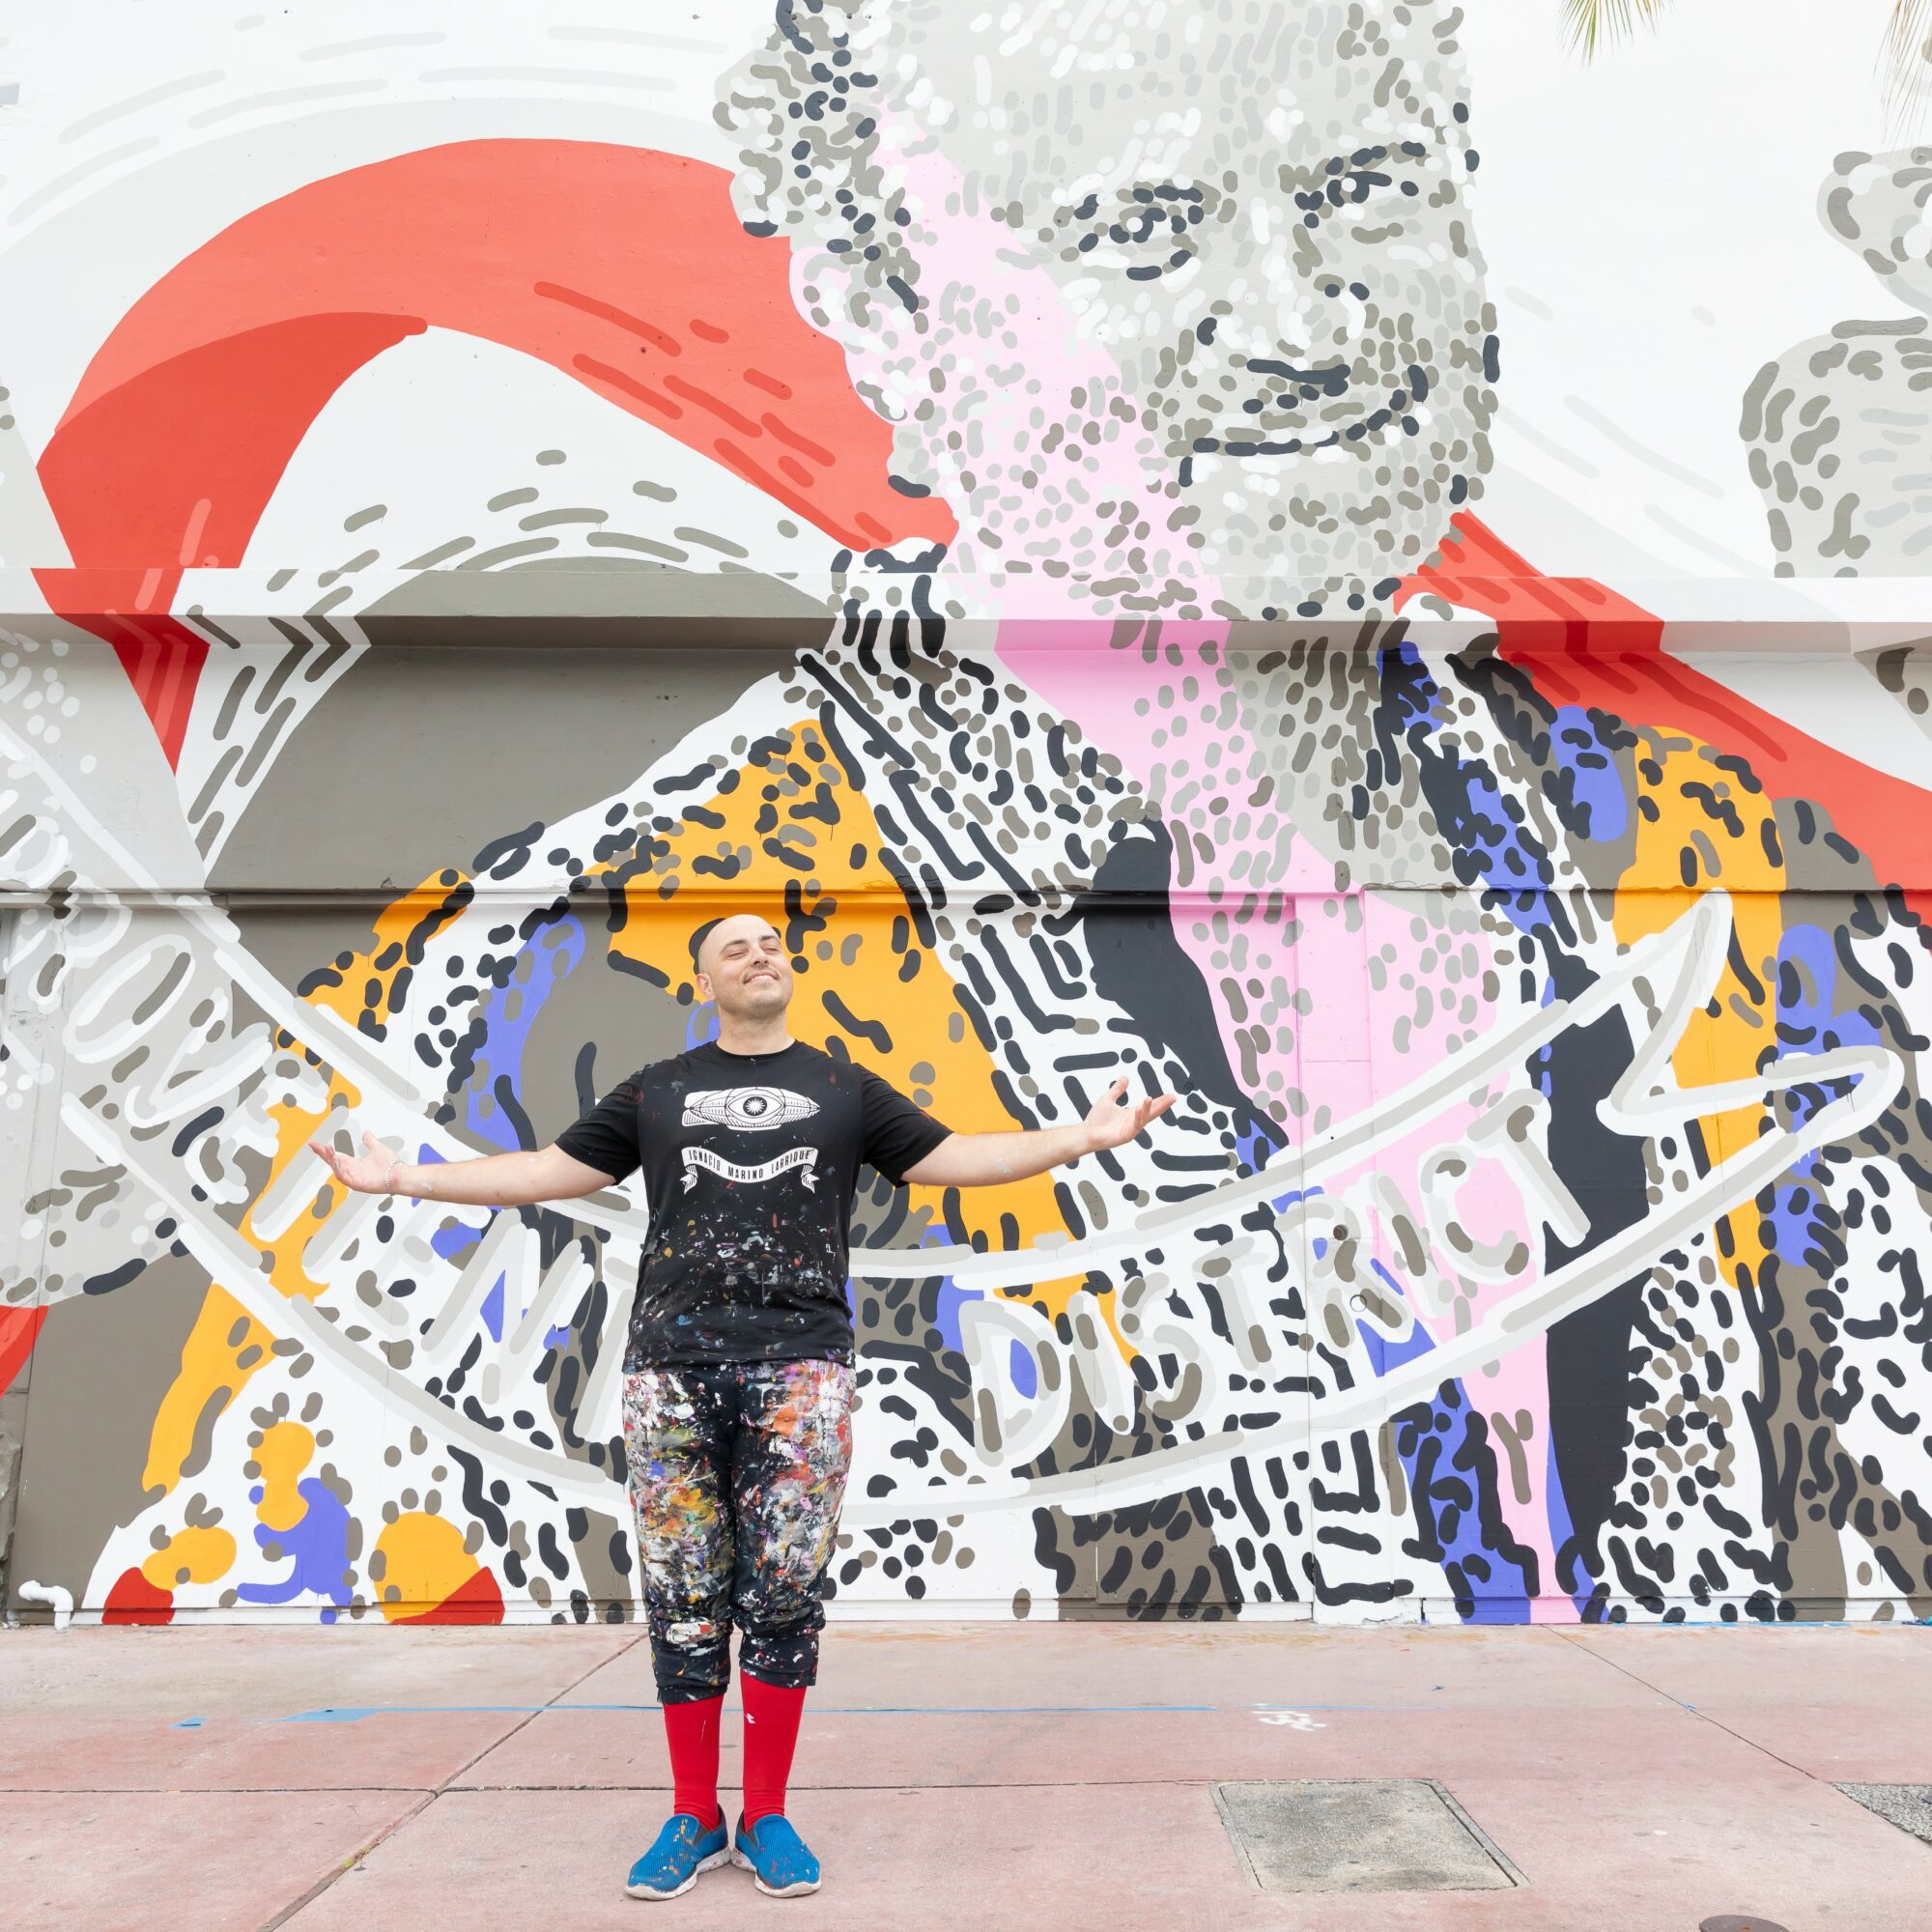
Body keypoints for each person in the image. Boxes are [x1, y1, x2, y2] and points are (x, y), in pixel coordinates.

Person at [310, 908, 1175, 1901]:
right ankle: (693, 1813)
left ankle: (765, 1814)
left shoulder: (844, 1087)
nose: (762, 953)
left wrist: (1083, 1139)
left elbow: (956, 1157)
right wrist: (402, 1178)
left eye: (772, 943)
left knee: (782, 1598)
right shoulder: (657, 1089)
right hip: (669, 1373)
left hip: (801, 1373)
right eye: (737, 946)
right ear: (703, 981)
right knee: (684, 1599)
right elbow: (546, 1171)